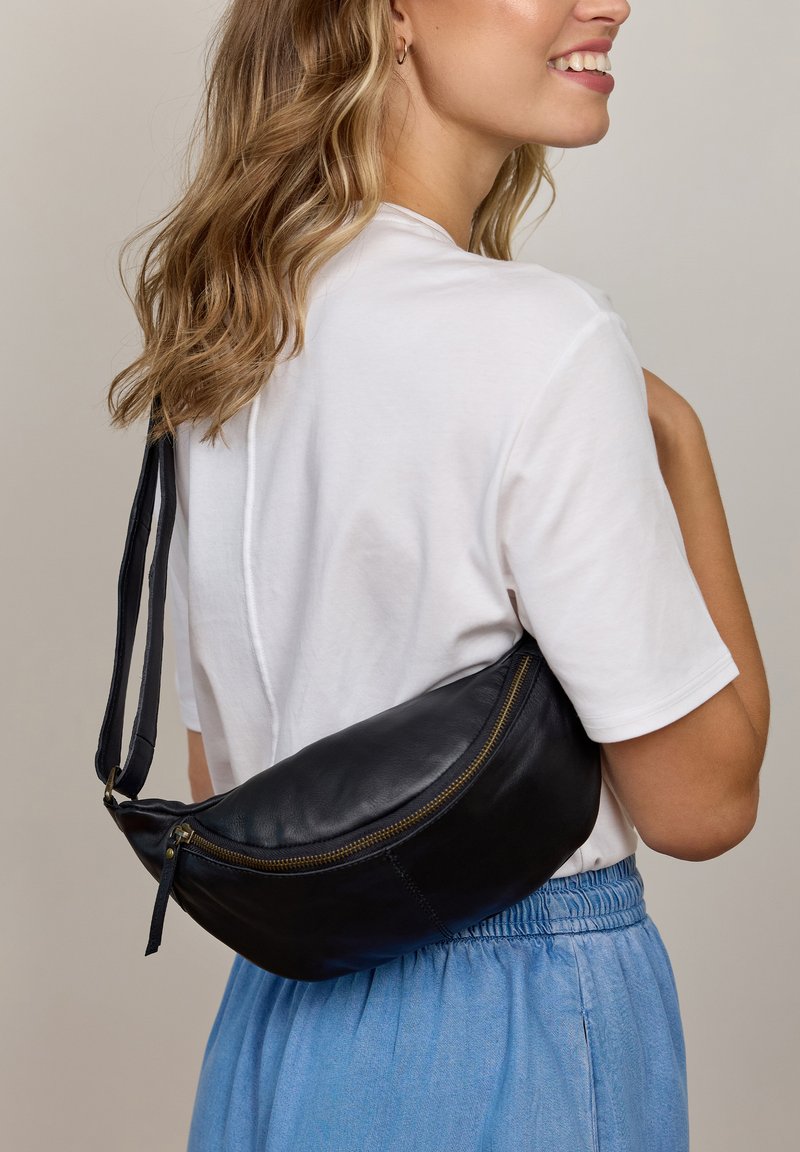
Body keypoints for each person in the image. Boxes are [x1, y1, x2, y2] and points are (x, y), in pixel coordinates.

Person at [107, 1, 769, 1149]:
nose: (608, 1)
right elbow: (701, 804)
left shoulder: (225, 344)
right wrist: (685, 449)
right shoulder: (542, 338)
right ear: (391, 12)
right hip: (515, 1030)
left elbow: (229, 787)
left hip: (279, 1022)